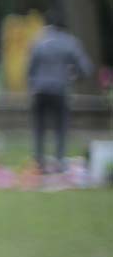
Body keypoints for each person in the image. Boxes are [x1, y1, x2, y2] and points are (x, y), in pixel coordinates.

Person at [26, 9, 94, 172]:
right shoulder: (70, 42)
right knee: (61, 127)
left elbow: (30, 69)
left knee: (39, 127)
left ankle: (39, 162)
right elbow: (86, 69)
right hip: (60, 90)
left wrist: (34, 84)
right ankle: (59, 162)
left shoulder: (38, 40)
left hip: (40, 90)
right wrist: (74, 76)